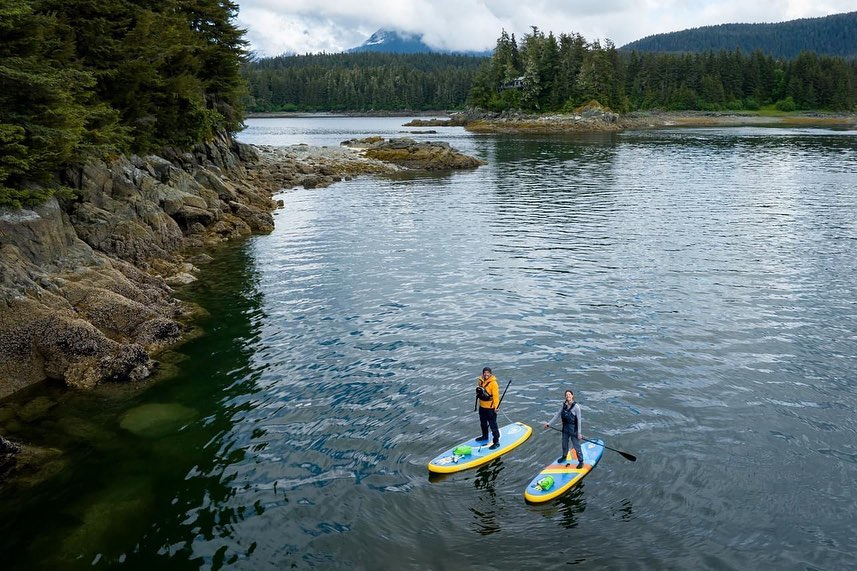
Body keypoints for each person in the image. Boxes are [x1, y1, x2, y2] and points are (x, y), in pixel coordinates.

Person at [544, 389, 584, 468]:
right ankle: (564, 456)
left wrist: (579, 433)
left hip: (573, 429)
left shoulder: (576, 407)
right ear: (565, 397)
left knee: (576, 446)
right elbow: (557, 415)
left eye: (569, 394)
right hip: (565, 428)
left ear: (572, 396)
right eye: (566, 395)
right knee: (564, 444)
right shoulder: (563, 405)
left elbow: (579, 420)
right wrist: (549, 424)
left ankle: (581, 461)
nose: (568, 396)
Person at [475, 367, 500, 449]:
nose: (486, 374)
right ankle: (484, 436)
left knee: (493, 425)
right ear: (483, 373)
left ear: (490, 374)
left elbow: (496, 396)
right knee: (483, 424)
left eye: (488, 373)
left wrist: (496, 407)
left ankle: (496, 442)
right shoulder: (480, 381)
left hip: (490, 408)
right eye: (485, 373)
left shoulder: (494, 383)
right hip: (482, 407)